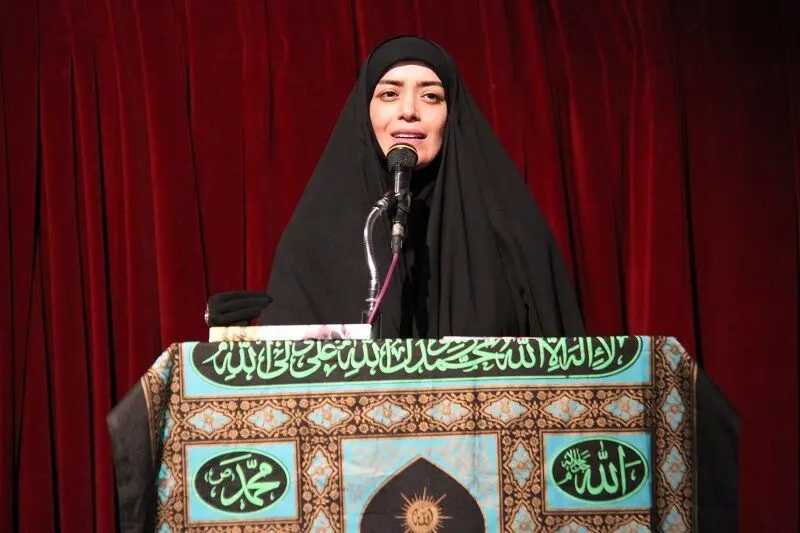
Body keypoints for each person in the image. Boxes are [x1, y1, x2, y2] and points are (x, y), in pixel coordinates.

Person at [258, 35, 585, 338]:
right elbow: (279, 367)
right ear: (365, 111)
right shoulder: (313, 239)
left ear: (452, 113)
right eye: (389, 94)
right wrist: (236, 338)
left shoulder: (511, 234)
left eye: (431, 96)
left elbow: (567, 363)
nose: (409, 111)